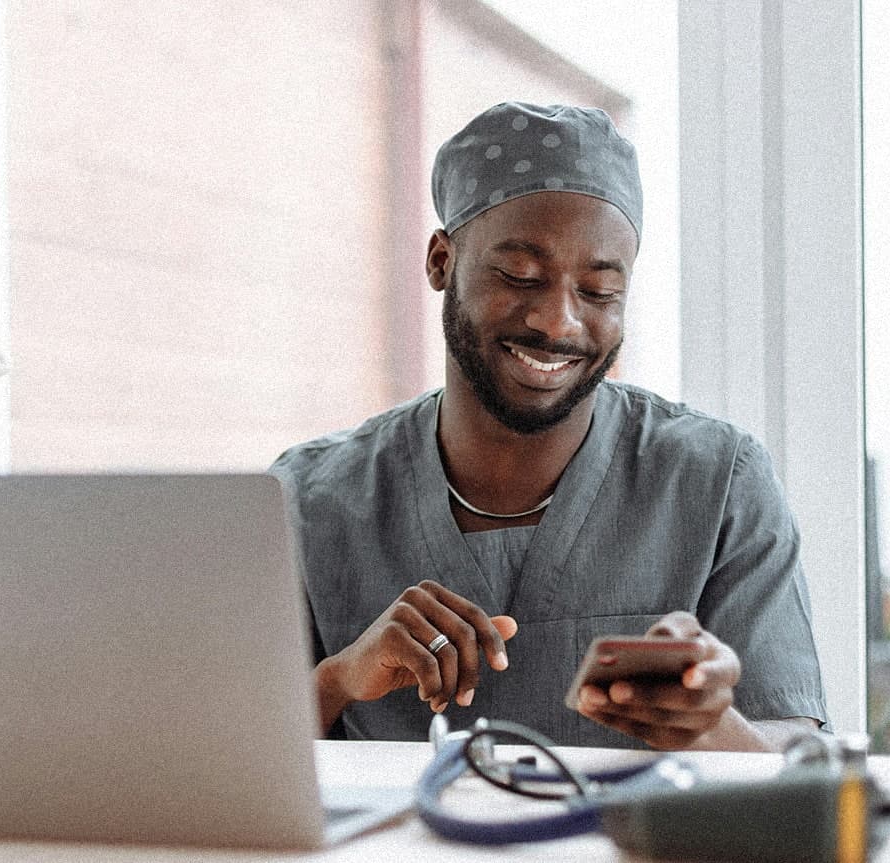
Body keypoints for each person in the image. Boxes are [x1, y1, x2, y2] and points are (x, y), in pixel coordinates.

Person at [269, 102, 827, 751]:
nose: (559, 322)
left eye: (598, 291)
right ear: (441, 260)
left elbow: (792, 757)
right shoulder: (309, 498)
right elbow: (211, 761)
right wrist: (337, 679)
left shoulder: (716, 478)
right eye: (519, 275)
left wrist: (708, 722)